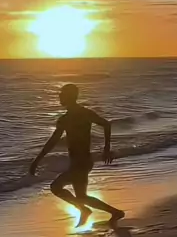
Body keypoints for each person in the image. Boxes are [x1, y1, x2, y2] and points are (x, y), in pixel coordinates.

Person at [29, 84, 124, 228]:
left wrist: (106, 149)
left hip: (82, 162)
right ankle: (109, 212)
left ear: (71, 96)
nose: (59, 96)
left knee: (57, 187)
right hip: (77, 162)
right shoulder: (65, 119)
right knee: (80, 196)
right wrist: (37, 160)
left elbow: (106, 124)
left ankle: (92, 210)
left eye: (62, 94)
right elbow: (53, 141)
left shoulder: (83, 113)